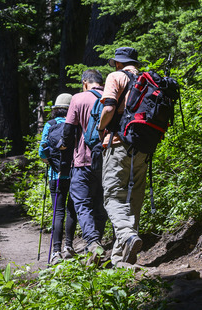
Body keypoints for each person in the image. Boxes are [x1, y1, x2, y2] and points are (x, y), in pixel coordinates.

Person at [97, 47, 148, 268]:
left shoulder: (116, 76)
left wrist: (100, 128)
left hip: (118, 143)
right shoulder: (147, 80)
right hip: (144, 147)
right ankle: (122, 259)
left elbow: (109, 108)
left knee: (113, 197)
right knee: (134, 199)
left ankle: (127, 236)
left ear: (118, 63)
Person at [60, 69, 108, 262]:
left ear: (85, 82)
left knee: (82, 203)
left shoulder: (78, 98)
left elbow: (68, 130)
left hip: (83, 160)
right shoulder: (111, 96)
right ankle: (99, 241)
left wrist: (63, 147)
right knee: (101, 202)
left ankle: (93, 242)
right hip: (108, 159)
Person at [38, 93, 77, 264]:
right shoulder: (75, 125)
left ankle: (56, 251)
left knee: (58, 212)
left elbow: (42, 151)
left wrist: (51, 162)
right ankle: (69, 247)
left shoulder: (50, 124)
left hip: (55, 175)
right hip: (75, 173)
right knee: (72, 210)